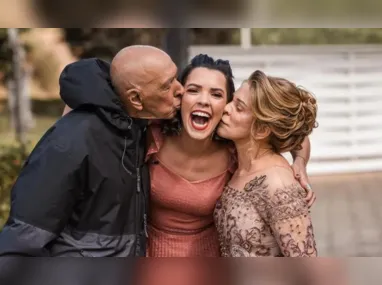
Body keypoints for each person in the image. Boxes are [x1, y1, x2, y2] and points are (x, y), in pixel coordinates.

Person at [0, 45, 183, 257]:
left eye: (176, 77)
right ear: (135, 99)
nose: (181, 89)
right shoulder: (71, 142)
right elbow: (22, 244)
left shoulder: (137, 128)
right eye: (167, 85)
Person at [145, 55, 315, 257]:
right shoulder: (153, 135)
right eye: (193, 90)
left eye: (218, 95)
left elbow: (295, 135)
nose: (205, 101)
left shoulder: (243, 157)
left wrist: (299, 163)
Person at [214, 70, 318, 257]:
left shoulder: (278, 183)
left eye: (239, 107)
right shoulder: (241, 164)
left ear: (262, 129)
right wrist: (300, 161)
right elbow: (300, 138)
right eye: (232, 100)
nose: (226, 108)